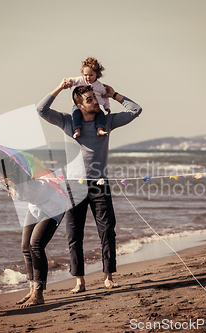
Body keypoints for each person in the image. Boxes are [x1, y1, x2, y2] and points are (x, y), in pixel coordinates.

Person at [37, 79, 142, 293]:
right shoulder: (67, 122)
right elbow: (41, 109)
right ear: (79, 105)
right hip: (73, 187)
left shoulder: (107, 122)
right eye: (90, 99)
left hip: (100, 185)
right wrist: (59, 87)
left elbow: (135, 110)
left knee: (107, 232)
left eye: (94, 97)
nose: (95, 101)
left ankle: (108, 276)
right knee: (74, 235)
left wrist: (114, 95)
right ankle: (79, 281)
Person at [0, 149, 67, 307]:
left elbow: (52, 176)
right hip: (36, 205)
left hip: (53, 203)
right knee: (25, 247)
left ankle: (38, 294)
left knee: (36, 244)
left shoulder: (27, 170)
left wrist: (53, 178)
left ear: (5, 167)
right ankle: (32, 290)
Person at [67, 57, 110, 139]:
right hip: (78, 105)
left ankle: (100, 129)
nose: (88, 77)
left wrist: (106, 107)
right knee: (75, 114)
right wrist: (68, 82)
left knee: (101, 114)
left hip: (95, 106)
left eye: (91, 75)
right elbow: (72, 80)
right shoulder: (80, 80)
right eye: (85, 75)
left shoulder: (100, 86)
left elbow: (105, 96)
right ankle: (77, 130)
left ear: (97, 74)